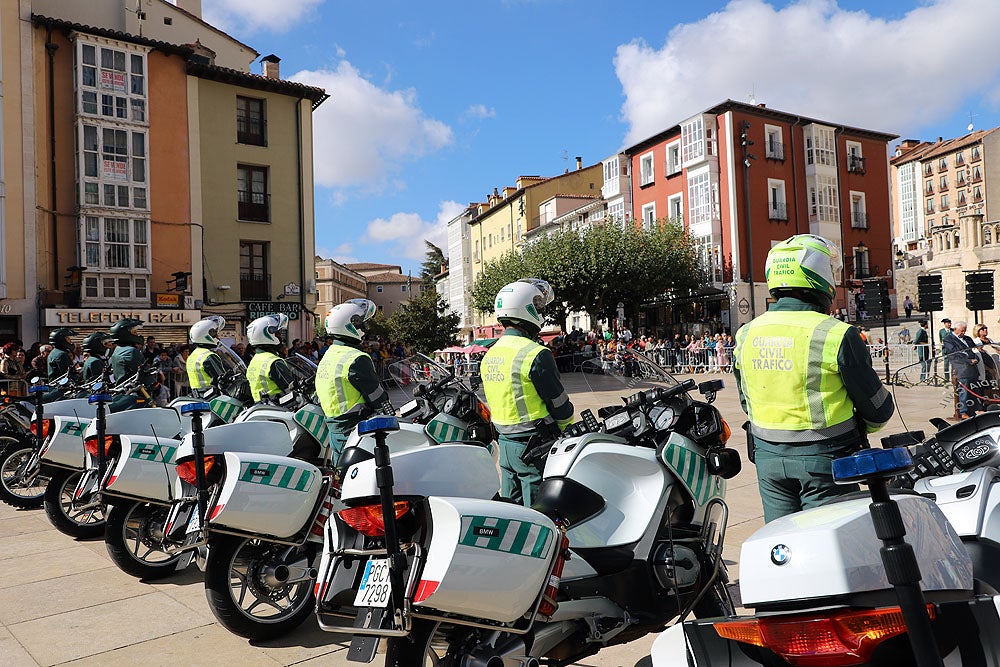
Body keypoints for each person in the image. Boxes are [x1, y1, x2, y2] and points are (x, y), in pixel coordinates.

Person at [733, 234, 895, 523]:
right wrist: (867, 424)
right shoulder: (835, 333)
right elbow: (877, 407)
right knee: (827, 546)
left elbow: (746, 399)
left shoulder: (747, 333)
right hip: (825, 459)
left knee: (781, 542)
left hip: (768, 458)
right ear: (819, 277)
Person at [481, 279, 574, 506]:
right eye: (538, 306)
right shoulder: (535, 353)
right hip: (533, 446)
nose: (541, 312)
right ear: (526, 310)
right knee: (538, 512)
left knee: (512, 510)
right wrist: (568, 427)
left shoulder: (490, 354)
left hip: (505, 445)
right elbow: (558, 403)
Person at [316, 299, 393, 464]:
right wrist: (390, 412)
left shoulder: (329, 354)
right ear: (351, 325)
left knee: (343, 480)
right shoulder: (356, 358)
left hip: (335, 428)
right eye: (362, 325)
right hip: (355, 430)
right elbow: (377, 396)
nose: (364, 329)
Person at [245, 313, 295, 403]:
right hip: (278, 407)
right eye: (278, 333)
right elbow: (290, 388)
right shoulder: (274, 362)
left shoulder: (254, 360)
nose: (281, 337)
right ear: (267, 334)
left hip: (260, 408)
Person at [944, 321, 981, 419]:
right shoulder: (948, 339)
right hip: (961, 369)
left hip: (973, 369)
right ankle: (963, 412)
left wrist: (976, 359)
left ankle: (976, 409)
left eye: (964, 331)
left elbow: (974, 350)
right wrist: (969, 361)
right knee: (963, 391)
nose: (963, 333)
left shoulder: (967, 339)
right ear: (955, 329)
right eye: (961, 331)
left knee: (975, 389)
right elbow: (955, 354)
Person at [109, 318, 147, 410]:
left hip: (121, 392)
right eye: (134, 332)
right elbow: (141, 374)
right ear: (126, 334)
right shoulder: (131, 351)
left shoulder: (117, 350)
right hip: (134, 393)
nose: (137, 335)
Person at [186, 316, 228, 397]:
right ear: (207, 335)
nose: (217, 337)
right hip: (212, 397)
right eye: (215, 334)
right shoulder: (209, 356)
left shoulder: (193, 355)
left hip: (197, 396)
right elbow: (222, 379)